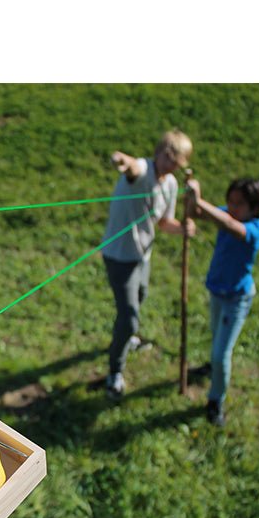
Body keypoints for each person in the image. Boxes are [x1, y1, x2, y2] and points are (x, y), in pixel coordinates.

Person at [101, 129, 196, 399]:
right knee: (129, 318)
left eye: (176, 162)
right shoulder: (143, 170)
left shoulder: (171, 184)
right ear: (158, 153)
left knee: (140, 297)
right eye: (167, 158)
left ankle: (126, 338)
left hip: (143, 256)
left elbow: (164, 222)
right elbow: (133, 168)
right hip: (120, 257)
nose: (170, 165)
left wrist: (183, 228)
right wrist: (123, 161)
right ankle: (114, 373)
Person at [186, 176, 259, 426]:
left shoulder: (256, 227)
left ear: (255, 207)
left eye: (239, 203)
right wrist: (192, 198)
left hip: (236, 298)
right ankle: (213, 368)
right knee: (215, 336)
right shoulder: (227, 213)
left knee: (222, 353)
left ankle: (215, 400)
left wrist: (199, 200)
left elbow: (231, 226)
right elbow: (196, 213)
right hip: (217, 291)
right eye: (229, 201)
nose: (232, 207)